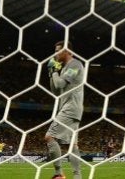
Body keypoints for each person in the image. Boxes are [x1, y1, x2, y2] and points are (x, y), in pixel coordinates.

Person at [45, 41, 85, 179]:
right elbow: (56, 91)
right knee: (72, 145)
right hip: (69, 107)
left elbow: (60, 83)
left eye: (58, 51)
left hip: (71, 108)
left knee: (49, 137)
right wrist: (51, 73)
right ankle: (77, 176)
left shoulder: (75, 65)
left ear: (67, 51)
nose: (55, 54)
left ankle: (58, 173)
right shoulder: (65, 69)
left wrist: (55, 72)